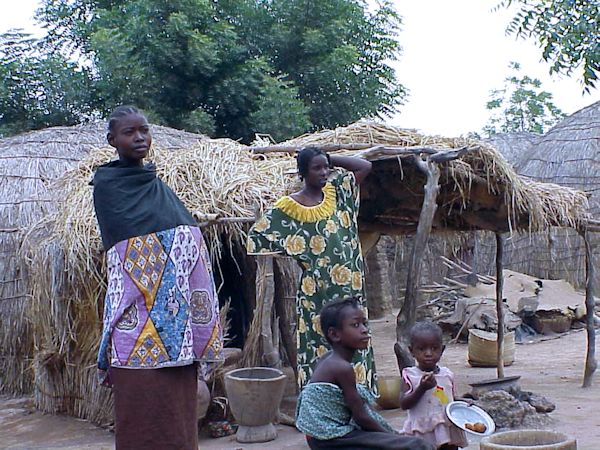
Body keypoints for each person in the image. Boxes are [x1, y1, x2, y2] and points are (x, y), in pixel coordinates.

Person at [91, 105, 223, 449]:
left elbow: (183, 240)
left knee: (178, 417)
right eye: (129, 132)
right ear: (112, 140)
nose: (139, 137)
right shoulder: (108, 187)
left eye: (144, 130)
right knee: (141, 416)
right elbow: (131, 253)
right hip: (135, 327)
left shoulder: (158, 185)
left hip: (178, 330)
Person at [246, 146, 377, 392]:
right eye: (317, 167)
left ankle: (357, 398)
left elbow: (364, 166)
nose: (324, 172)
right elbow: (258, 237)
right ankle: (321, 401)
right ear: (303, 172)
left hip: (351, 288)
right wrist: (298, 253)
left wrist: (328, 156)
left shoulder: (338, 193)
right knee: (320, 344)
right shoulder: (289, 208)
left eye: (326, 167)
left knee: (355, 339)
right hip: (317, 294)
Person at [296, 297, 434, 450]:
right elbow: (361, 417)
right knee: (417, 445)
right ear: (335, 334)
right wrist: (392, 437)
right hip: (332, 439)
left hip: (321, 437)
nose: (364, 329)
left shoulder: (328, 359)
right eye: (355, 325)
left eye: (364, 324)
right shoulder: (341, 367)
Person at [400, 322, 468, 450]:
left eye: (434, 348)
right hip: (422, 431)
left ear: (442, 350)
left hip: (446, 429)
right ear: (411, 351)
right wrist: (421, 388)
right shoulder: (410, 376)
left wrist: (466, 402)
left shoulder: (447, 375)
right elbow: (404, 404)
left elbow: (449, 400)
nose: (428, 353)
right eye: (421, 349)